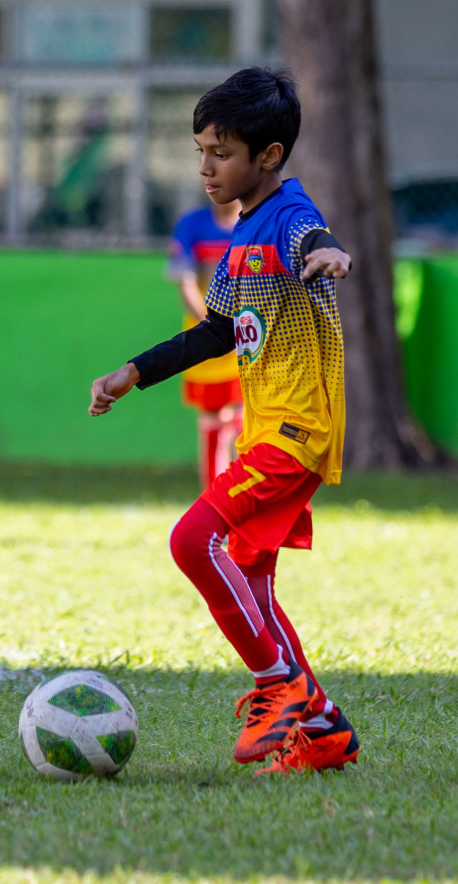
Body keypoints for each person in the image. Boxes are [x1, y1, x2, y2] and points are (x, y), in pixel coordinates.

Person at [89, 68, 359, 775]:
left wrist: (328, 254)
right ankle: (324, 729)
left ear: (268, 156)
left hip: (296, 431)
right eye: (201, 150)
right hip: (267, 429)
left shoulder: (290, 216)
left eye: (222, 152)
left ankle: (281, 686)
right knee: (250, 576)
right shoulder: (239, 240)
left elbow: (312, 239)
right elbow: (213, 332)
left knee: (191, 540)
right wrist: (133, 373)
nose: (206, 167)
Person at [168, 198, 244, 487]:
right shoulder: (192, 225)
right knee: (213, 420)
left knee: (246, 421)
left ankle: (245, 503)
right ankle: (215, 503)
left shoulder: (259, 225)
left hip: (249, 340)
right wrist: (211, 325)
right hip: (208, 341)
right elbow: (185, 281)